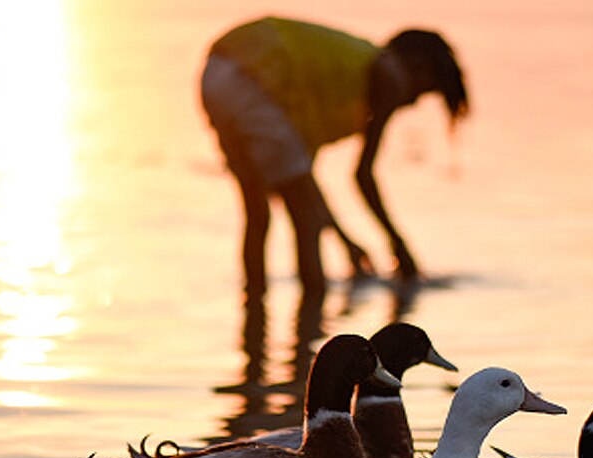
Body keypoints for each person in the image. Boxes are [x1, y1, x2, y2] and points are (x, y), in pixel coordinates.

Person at [200, 16, 469, 296]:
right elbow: (363, 175)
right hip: (254, 74)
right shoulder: (389, 73)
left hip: (218, 70)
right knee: (305, 223)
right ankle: (310, 321)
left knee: (258, 213)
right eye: (423, 91)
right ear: (418, 66)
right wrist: (398, 243)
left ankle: (254, 316)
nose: (413, 102)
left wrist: (345, 241)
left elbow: (309, 188)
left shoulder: (327, 89)